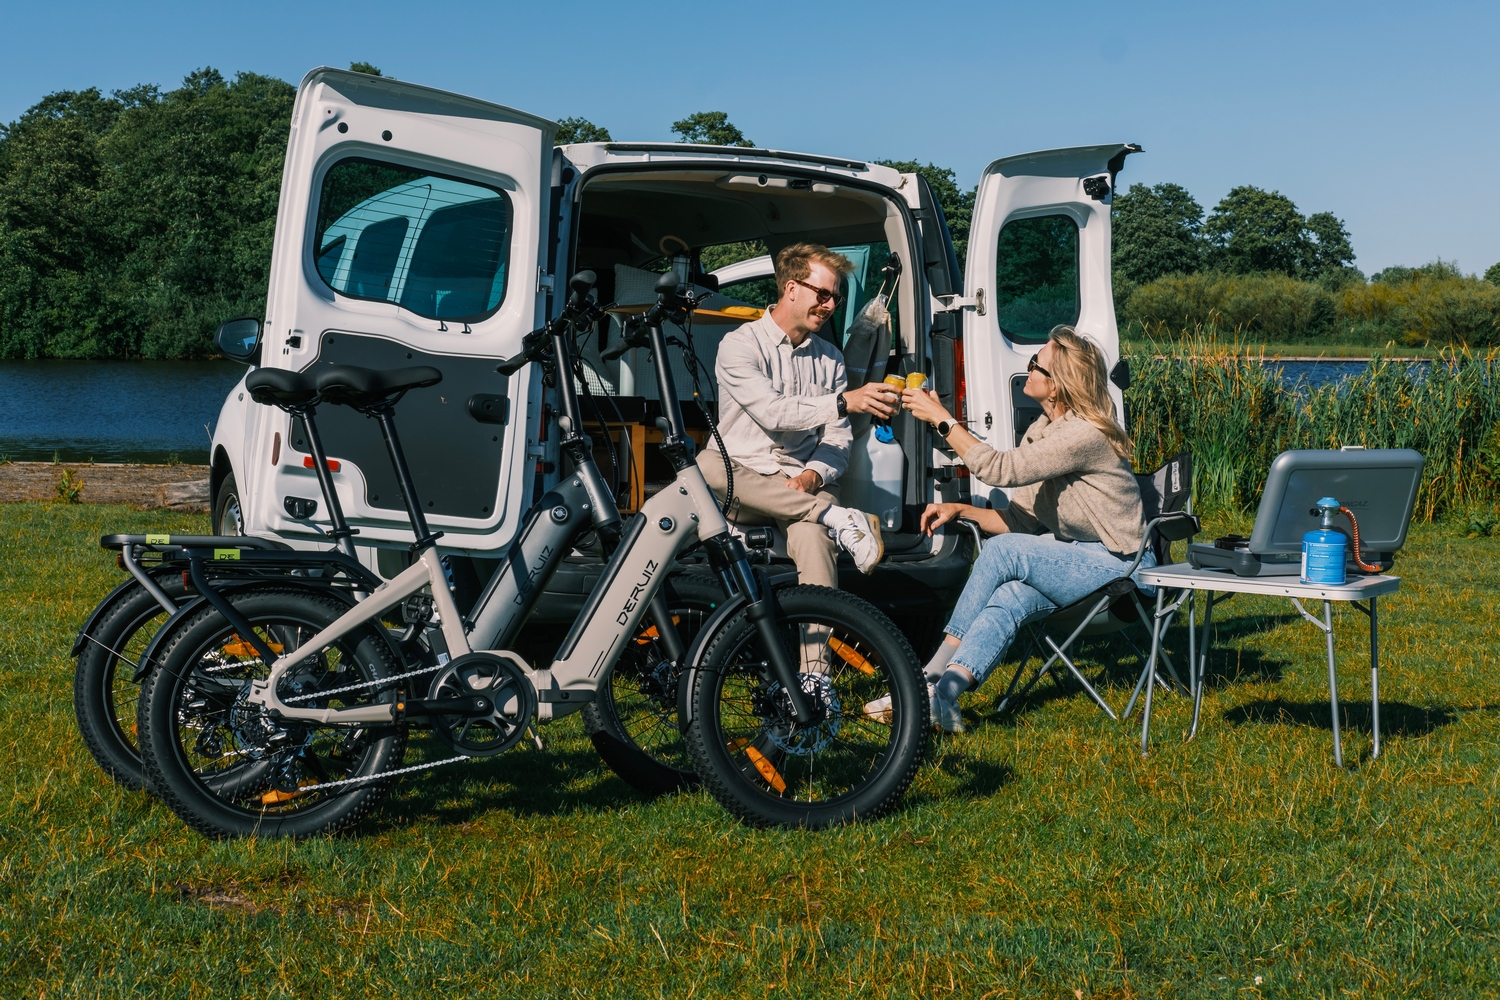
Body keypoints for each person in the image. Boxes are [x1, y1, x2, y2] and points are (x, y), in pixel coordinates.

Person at [895, 326, 1149, 731]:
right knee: (1011, 596)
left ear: (1057, 385)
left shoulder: (1082, 433)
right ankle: (943, 696)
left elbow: (999, 469)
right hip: (1081, 561)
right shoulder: (1042, 431)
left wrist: (942, 420)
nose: (1027, 369)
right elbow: (1019, 521)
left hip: (1124, 569)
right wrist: (961, 509)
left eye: (1036, 365)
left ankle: (923, 681)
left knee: (1003, 551)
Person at [696, 243, 901, 585]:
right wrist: (842, 402)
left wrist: (811, 477)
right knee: (706, 466)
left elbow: (837, 439)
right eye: (823, 294)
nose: (830, 305)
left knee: (812, 536)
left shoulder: (831, 358)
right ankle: (835, 516)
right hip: (745, 480)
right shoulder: (739, 345)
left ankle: (818, 621)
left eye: (835, 298)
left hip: (801, 481)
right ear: (791, 288)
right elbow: (772, 411)